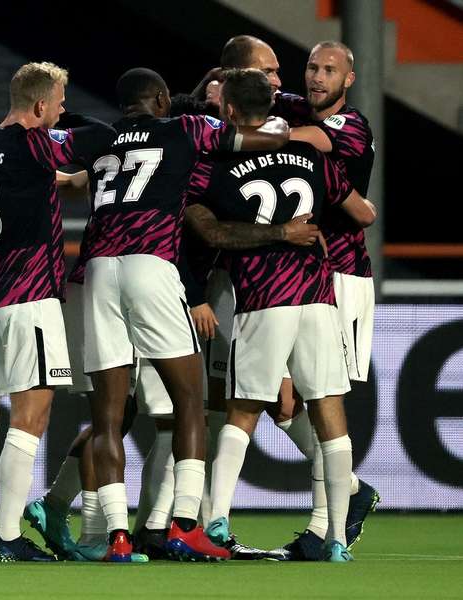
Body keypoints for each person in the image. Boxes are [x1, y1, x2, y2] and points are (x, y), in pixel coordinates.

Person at [79, 67, 289, 562]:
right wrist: (285, 129)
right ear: (157, 98)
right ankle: (188, 525)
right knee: (191, 401)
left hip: (97, 271)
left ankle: (117, 538)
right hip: (151, 264)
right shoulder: (184, 129)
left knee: (108, 417)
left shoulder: (101, 142)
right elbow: (252, 140)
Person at [189, 68, 375, 562]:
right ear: (270, 110)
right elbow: (361, 211)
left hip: (264, 297)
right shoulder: (312, 156)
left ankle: (217, 523)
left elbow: (204, 227)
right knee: (329, 411)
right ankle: (335, 538)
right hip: (317, 296)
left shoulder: (219, 162)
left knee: (244, 412)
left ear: (229, 111)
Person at [0, 61, 116, 561]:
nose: (64, 110)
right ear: (42, 105)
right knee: (32, 416)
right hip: (29, 296)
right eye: (59, 102)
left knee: (23, 415)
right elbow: (101, 136)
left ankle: (0, 534)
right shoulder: (29, 143)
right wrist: (64, 119)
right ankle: (5, 538)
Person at [274, 40, 381, 559]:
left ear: (349, 79)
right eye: (313, 67)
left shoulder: (352, 126)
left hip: (341, 275)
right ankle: (352, 493)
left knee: (320, 399)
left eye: (329, 70)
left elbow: (307, 139)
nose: (318, 77)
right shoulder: (291, 104)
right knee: (280, 399)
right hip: (296, 274)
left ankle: (324, 526)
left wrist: (249, 134)